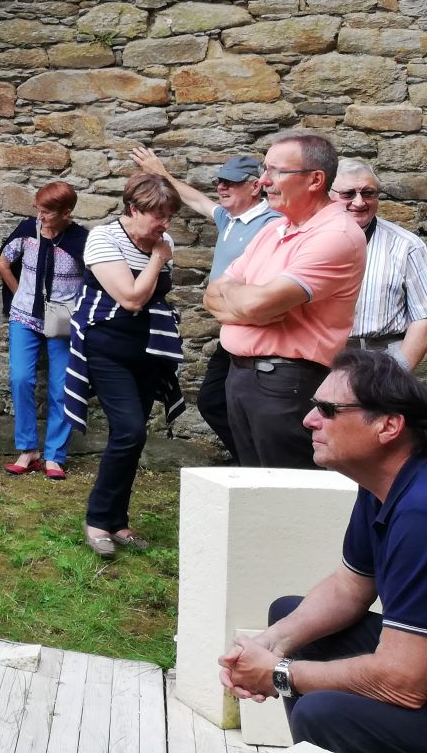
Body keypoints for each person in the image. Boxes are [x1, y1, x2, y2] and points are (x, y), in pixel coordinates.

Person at [220, 349, 427, 751]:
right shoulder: (382, 485)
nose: (309, 419)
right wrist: (269, 646)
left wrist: (279, 674)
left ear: (388, 425)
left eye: (329, 410)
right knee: (290, 618)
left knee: (322, 712)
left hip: (414, 676)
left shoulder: (420, 512)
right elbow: (349, 588)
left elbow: (405, 681)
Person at [204, 132, 365, 469]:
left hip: (286, 384)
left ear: (315, 180)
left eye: (276, 171)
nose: (264, 181)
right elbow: (212, 294)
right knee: (254, 484)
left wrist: (241, 298)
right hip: (242, 375)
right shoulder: (273, 229)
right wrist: (246, 302)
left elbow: (255, 304)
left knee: (287, 487)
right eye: (265, 169)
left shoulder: (335, 235)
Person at [132, 147, 280, 462]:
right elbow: (197, 200)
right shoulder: (230, 218)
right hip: (232, 329)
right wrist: (161, 172)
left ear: (256, 186)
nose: (221, 187)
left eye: (231, 182)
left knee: (247, 405)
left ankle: (260, 466)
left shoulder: (273, 222)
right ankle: (251, 463)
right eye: (219, 182)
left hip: (259, 331)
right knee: (214, 401)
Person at [66, 173, 185, 559]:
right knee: (129, 430)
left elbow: (156, 294)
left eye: (169, 216)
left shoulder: (163, 241)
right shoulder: (104, 239)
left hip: (149, 351)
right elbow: (132, 298)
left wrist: (159, 251)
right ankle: (97, 519)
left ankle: (117, 520)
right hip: (107, 349)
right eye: (159, 216)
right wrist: (157, 258)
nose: (165, 224)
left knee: (133, 437)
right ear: (134, 209)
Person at [0, 181, 87, 480]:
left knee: (61, 387)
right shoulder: (27, 230)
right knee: (21, 378)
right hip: (24, 318)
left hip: (62, 324)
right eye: (38, 209)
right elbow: (4, 264)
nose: (40, 216)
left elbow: (94, 280)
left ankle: (55, 455)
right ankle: (28, 450)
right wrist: (20, 295)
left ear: (66, 212)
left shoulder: (81, 240)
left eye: (47, 211)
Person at [330, 159, 427, 370]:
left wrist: (398, 373)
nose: (359, 202)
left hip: (382, 363)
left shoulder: (407, 246)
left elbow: (424, 318)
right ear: (328, 194)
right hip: (318, 361)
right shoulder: (304, 239)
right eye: (347, 194)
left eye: (368, 193)